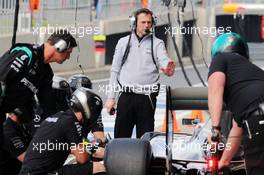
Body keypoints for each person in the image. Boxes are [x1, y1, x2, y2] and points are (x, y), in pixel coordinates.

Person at [0, 29, 77, 174]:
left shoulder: (46, 74)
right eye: (68, 52)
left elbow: (49, 110)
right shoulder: (26, 53)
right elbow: (2, 78)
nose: (68, 57)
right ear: (60, 46)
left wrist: (64, 129)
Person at [105, 8, 176, 138]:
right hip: (126, 96)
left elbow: (164, 60)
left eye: (149, 22)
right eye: (143, 22)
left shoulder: (158, 44)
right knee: (120, 138)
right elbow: (115, 70)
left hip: (147, 98)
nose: (146, 25)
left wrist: (167, 68)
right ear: (134, 23)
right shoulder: (123, 42)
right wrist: (111, 98)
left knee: (145, 139)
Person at [208, 32, 264, 175]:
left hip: (258, 117)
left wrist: (215, 130)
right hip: (256, 115)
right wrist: (224, 162)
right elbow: (237, 128)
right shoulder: (255, 73)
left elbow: (215, 89)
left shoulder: (220, 59)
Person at [19, 87, 106, 175]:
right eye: (94, 111)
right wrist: (93, 148)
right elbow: (82, 158)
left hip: (30, 171)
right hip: (42, 172)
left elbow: (71, 148)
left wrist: (92, 147)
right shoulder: (71, 123)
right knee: (98, 167)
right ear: (86, 108)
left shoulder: (59, 117)